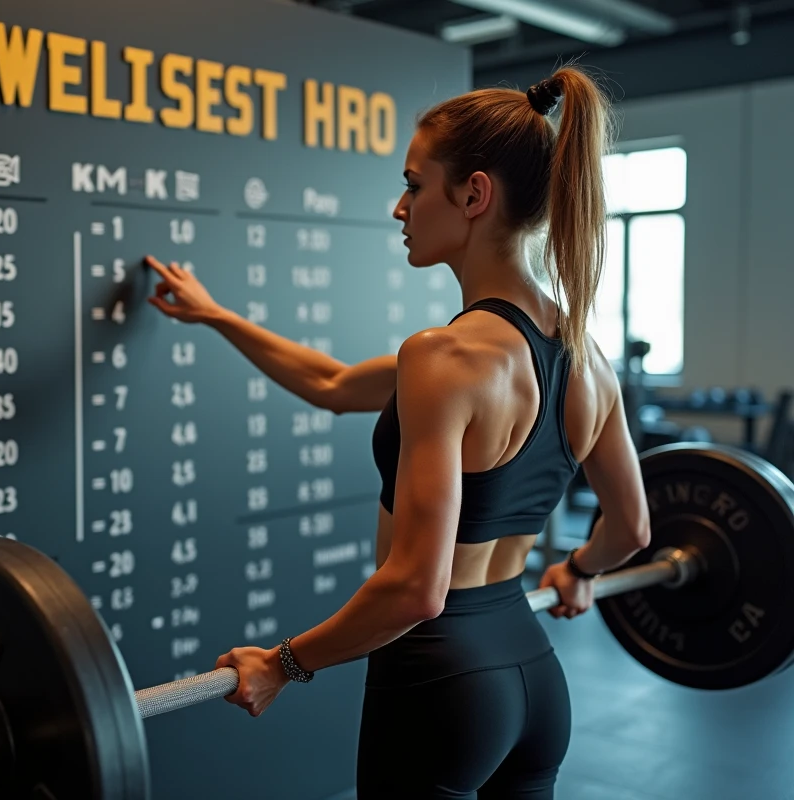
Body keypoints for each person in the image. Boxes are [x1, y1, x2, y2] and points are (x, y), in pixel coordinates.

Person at [144, 64, 652, 799]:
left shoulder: (444, 358)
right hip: (534, 675)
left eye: (415, 185)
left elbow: (417, 590)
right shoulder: (586, 359)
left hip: (440, 685)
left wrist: (282, 663)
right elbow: (631, 527)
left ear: (474, 194)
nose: (399, 207)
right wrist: (579, 571)